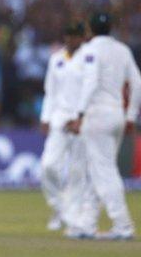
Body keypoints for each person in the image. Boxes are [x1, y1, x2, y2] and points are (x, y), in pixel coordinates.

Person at [66, 13, 141, 240]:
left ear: (90, 30)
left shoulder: (90, 51)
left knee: (104, 170)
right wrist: (130, 116)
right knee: (97, 169)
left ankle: (123, 224)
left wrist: (79, 114)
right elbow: (138, 84)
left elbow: (90, 84)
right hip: (116, 114)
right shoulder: (123, 50)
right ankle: (87, 224)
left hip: (96, 115)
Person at [39, 23, 87, 233]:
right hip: (59, 119)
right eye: (68, 36)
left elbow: (91, 90)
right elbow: (50, 91)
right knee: (48, 166)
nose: (70, 40)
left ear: (81, 38)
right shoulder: (56, 58)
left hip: (81, 123)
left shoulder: (89, 58)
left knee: (77, 172)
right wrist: (45, 117)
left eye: (74, 36)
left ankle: (72, 216)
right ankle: (59, 208)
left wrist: (82, 118)